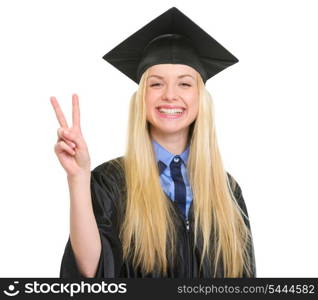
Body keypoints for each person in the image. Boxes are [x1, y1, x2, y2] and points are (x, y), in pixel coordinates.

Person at [51, 7, 256, 278]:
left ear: (200, 98)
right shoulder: (111, 182)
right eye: (156, 84)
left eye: (184, 84)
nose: (170, 95)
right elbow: (91, 274)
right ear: (142, 97)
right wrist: (78, 180)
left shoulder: (227, 190)